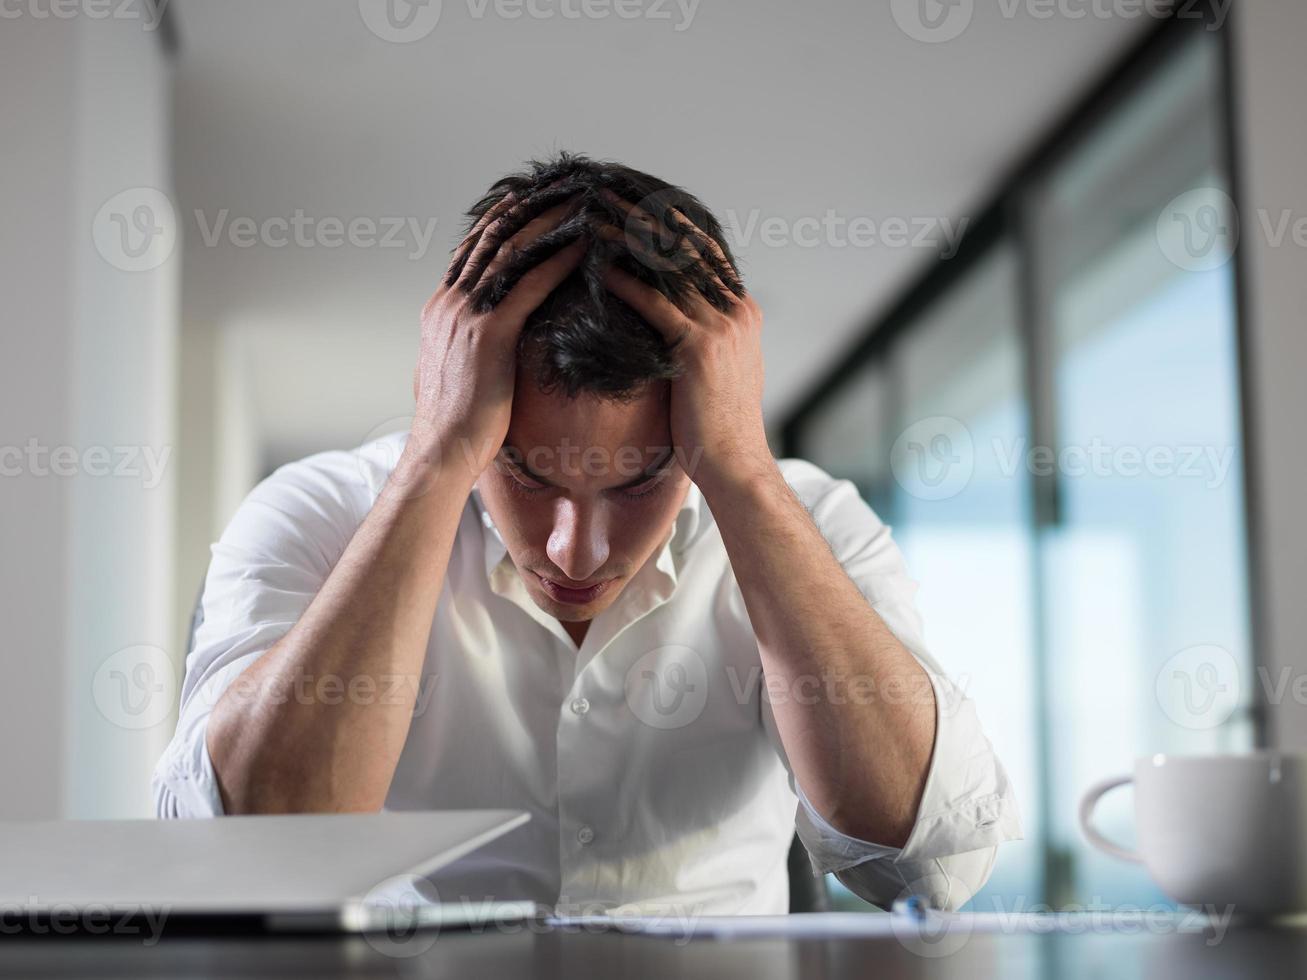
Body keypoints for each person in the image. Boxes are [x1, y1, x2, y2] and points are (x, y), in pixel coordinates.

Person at [153, 152, 1020, 916]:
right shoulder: (317, 511)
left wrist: (743, 473)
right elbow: (241, 856)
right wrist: (436, 457)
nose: (576, 552)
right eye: (527, 474)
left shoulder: (811, 519)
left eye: (640, 479)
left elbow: (929, 868)